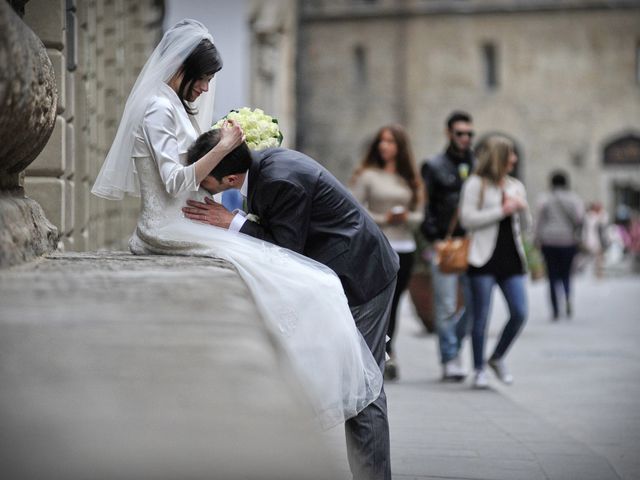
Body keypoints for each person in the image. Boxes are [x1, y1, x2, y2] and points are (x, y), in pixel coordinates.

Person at [91, 17, 384, 465]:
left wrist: (228, 198)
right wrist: (222, 145)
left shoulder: (172, 105)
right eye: (204, 79)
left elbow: (279, 237)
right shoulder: (157, 107)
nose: (206, 90)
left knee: (316, 299)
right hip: (166, 225)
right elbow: (173, 181)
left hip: (362, 268)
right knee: (299, 285)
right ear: (182, 69)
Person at [181, 130, 399, 480]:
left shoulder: (280, 180)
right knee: (348, 378)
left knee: (363, 384)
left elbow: (286, 249)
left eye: (204, 175)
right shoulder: (264, 170)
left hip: (363, 275)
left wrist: (232, 222)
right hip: (341, 271)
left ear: (232, 179)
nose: (199, 183)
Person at [350, 125, 423, 381]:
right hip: (380, 246)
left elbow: (419, 215)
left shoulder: (408, 177)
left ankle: (388, 350)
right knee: (380, 302)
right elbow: (355, 208)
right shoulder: (368, 175)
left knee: (395, 304)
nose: (385, 146)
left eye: (390, 142)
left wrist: (407, 217)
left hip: (406, 247)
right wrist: (385, 218)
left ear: (399, 146)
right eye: (382, 141)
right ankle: (376, 352)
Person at [459, 135, 531, 389]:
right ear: (499, 157)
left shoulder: (515, 185)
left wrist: (521, 208)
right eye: (510, 153)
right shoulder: (475, 185)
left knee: (520, 312)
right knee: (480, 318)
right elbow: (467, 219)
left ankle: (497, 357)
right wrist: (503, 210)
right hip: (482, 258)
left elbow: (525, 227)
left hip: (511, 258)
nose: (515, 159)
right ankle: (479, 368)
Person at [420, 111, 474, 381]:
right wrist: (434, 238)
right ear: (449, 133)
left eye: (469, 134)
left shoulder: (477, 164)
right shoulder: (434, 165)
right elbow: (425, 205)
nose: (465, 138)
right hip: (446, 242)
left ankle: (455, 345)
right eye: (460, 133)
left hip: (474, 243)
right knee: (445, 304)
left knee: (475, 303)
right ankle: (450, 357)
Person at [534, 171, 585, 319]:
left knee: (552, 275)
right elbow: (579, 219)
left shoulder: (545, 199)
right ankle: (568, 297)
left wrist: (537, 239)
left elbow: (539, 222)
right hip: (568, 241)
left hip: (549, 241)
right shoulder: (574, 199)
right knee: (567, 274)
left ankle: (555, 309)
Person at [582, 201, 609, 278]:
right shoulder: (589, 216)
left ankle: (599, 273)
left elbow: (604, 226)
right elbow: (586, 229)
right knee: (592, 256)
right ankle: (594, 272)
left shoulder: (603, 215)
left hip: (601, 239)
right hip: (591, 238)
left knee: (599, 256)